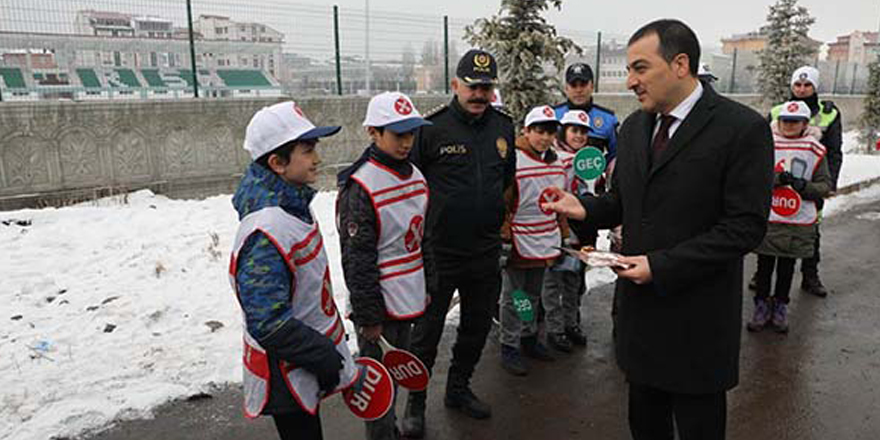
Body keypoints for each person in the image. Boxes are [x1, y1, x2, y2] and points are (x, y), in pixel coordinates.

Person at [544, 19, 773, 440]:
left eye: (640, 68)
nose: (630, 81)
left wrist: (661, 266)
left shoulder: (742, 129)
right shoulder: (634, 128)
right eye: (630, 70)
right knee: (645, 428)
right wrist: (584, 208)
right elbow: (625, 201)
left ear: (680, 64)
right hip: (640, 321)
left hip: (697, 325)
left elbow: (745, 228)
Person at [401, 49, 516, 438]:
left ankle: (458, 387)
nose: (479, 94)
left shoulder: (503, 127)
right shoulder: (430, 129)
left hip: (483, 249)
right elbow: (411, 188)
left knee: (476, 325)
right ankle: (415, 402)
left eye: (486, 87)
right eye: (472, 86)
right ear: (455, 85)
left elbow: (505, 180)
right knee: (427, 333)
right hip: (440, 251)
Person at [229, 101, 358, 440]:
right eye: (307, 150)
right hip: (285, 371)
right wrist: (321, 355)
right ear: (277, 163)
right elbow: (267, 323)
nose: (317, 158)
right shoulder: (266, 231)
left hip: (304, 357)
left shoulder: (292, 204)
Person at [336, 91, 434, 440]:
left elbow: (424, 237)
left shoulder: (417, 176)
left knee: (396, 374)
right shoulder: (361, 185)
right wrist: (369, 317)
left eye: (411, 133)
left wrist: (429, 285)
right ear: (373, 133)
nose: (407, 142)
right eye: (398, 134)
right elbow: (357, 260)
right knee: (377, 386)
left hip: (409, 297)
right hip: (379, 306)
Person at [759, 66, 843, 298]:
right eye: (798, 85)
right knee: (770, 227)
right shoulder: (778, 111)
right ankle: (762, 275)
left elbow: (834, 152)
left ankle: (810, 275)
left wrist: (828, 187)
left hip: (810, 184)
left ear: (815, 87)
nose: (802, 89)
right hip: (777, 183)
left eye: (807, 85)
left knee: (810, 230)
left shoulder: (828, 113)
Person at [747, 100, 831, 333]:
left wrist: (805, 187)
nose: (789, 126)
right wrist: (775, 180)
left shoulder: (815, 149)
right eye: (786, 121)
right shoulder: (766, 145)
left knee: (786, 268)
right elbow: (752, 178)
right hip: (770, 218)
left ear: (804, 123)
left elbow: (825, 185)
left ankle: (780, 306)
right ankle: (761, 306)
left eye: (795, 122)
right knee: (764, 266)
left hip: (797, 222)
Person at [498, 105, 567, 376]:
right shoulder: (513, 160)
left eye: (550, 132)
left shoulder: (557, 161)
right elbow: (502, 201)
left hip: (545, 238)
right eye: (539, 131)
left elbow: (560, 200)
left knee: (533, 293)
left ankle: (529, 337)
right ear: (526, 130)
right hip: (519, 238)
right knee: (515, 296)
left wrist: (563, 231)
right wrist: (504, 233)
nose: (545, 137)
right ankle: (510, 344)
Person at [541, 110, 594, 352]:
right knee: (552, 284)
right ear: (563, 131)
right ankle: (555, 330)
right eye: (574, 130)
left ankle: (571, 324)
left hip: (581, 232)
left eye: (584, 131)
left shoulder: (590, 160)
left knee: (574, 281)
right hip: (557, 232)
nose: (579, 136)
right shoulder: (552, 159)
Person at [553, 62, 619, 177]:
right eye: (574, 85)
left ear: (592, 86)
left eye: (583, 84)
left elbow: (616, 153)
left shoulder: (608, 119)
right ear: (566, 88)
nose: (578, 90)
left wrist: (602, 169)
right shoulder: (553, 116)